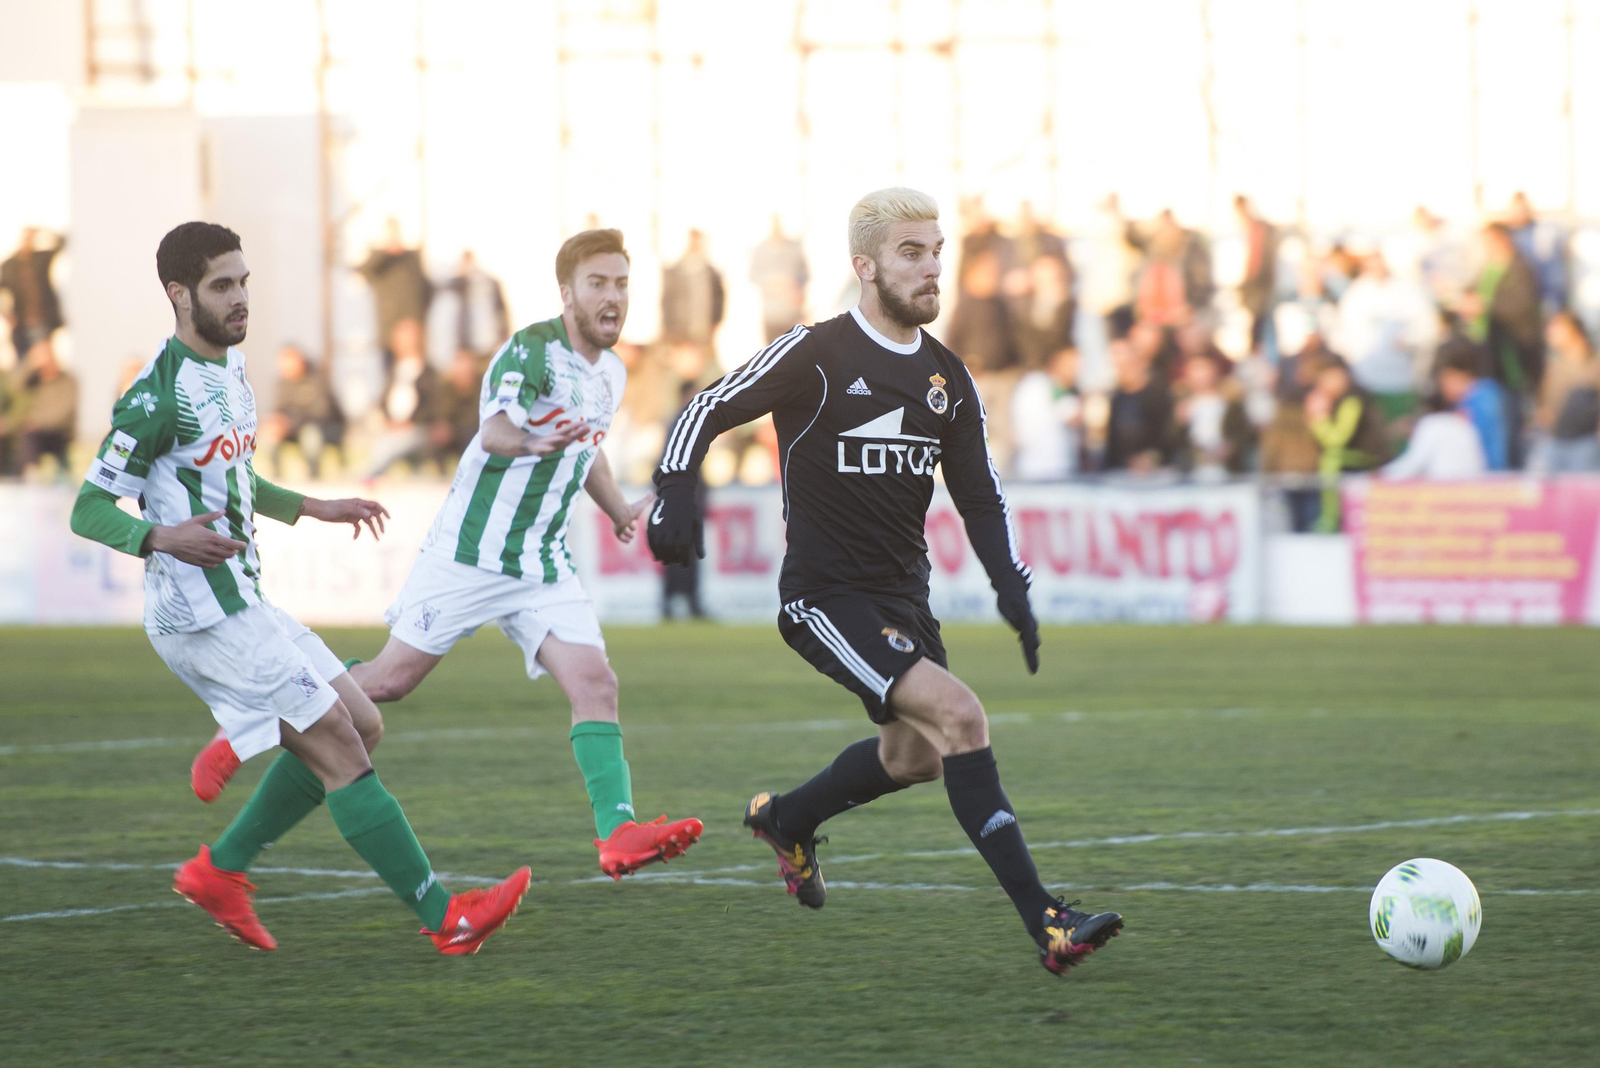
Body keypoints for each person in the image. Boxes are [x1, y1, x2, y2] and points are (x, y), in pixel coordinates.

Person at [647, 187, 1123, 977]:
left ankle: (787, 819)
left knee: (916, 757)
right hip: (823, 599)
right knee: (962, 718)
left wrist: (1008, 582)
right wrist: (675, 490)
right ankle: (1050, 923)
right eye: (912, 252)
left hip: (904, 598)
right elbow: (707, 406)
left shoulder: (947, 377)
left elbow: (979, 493)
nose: (932, 267)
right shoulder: (815, 352)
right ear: (864, 266)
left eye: (938, 250)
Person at [69, 221, 529, 954]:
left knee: (364, 725)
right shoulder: (156, 394)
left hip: (243, 601)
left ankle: (220, 871)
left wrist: (316, 506)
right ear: (179, 295)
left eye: (244, 281)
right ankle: (448, 919)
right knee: (343, 751)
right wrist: (159, 536)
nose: (241, 298)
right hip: (201, 616)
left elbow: (234, 475)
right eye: (223, 286)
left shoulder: (230, 371)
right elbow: (88, 507)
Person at [193, 229, 703, 880]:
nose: (613, 297)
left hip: (541, 563)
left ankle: (619, 833)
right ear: (567, 294)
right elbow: (493, 432)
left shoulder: (612, 370)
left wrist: (616, 509)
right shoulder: (532, 352)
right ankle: (252, 718)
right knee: (385, 685)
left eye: (622, 284)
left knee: (597, 683)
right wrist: (538, 441)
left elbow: (589, 445)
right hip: (472, 553)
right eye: (598, 283)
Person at [1528, 311, 1600, 473]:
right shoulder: (1554, 367)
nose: (1550, 334)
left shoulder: (1594, 363)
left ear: (1573, 330)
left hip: (1586, 443)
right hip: (1554, 441)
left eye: (1557, 329)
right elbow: (1545, 405)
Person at [259, 344, 344, 478]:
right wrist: (276, 422)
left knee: (310, 436)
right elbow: (279, 408)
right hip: (292, 429)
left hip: (324, 427)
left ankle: (314, 478)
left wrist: (290, 423)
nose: (285, 367)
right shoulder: (281, 383)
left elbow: (321, 411)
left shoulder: (316, 378)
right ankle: (276, 481)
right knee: (270, 435)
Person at [357, 217, 433, 361]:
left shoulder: (411, 258)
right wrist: (384, 252)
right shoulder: (380, 260)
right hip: (389, 335)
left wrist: (417, 321)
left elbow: (426, 290)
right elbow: (365, 271)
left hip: (412, 334)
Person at [1435, 338, 1510, 472]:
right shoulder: (1470, 400)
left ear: (1458, 374)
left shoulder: (1483, 399)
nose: (1442, 387)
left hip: (1487, 477)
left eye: (1444, 379)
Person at [1103, 337, 1175, 474]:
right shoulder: (1115, 397)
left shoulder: (1158, 392)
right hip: (1120, 473)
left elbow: (1168, 434)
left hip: (1155, 474)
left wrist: (1153, 456)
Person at [1009, 346, 1082, 481]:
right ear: (1057, 363)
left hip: (1027, 465)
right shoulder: (1053, 387)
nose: (1077, 371)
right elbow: (1073, 414)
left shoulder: (1028, 382)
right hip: (1054, 468)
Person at [8, 337, 78, 472]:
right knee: (23, 436)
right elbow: (13, 386)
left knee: (31, 435)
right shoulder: (34, 381)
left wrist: (39, 422)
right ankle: (29, 474)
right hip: (35, 431)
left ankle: (35, 475)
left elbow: (65, 411)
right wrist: (29, 363)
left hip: (59, 432)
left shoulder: (68, 380)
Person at [1382, 391, 1486, 480]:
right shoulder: (1462, 423)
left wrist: (1381, 474)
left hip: (1445, 488)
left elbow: (1412, 464)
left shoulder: (1429, 424)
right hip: (1474, 484)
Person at [0, 228, 66, 364]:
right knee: (23, 365)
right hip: (21, 326)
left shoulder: (40, 258)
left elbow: (62, 242)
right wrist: (6, 314)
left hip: (42, 322)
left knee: (45, 364)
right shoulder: (9, 265)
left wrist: (42, 231)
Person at [750, 216, 810, 344]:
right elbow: (753, 276)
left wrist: (793, 284)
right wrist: (771, 282)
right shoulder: (760, 250)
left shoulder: (794, 248)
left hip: (792, 312)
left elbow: (806, 275)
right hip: (771, 314)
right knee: (771, 350)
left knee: (793, 351)